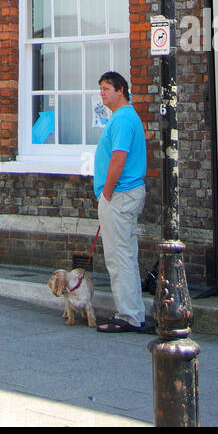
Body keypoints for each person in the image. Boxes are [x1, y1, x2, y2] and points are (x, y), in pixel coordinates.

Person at [93, 71, 147, 333]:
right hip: (123, 194)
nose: (102, 93)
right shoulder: (122, 117)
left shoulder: (123, 118)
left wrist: (106, 192)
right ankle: (134, 313)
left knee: (118, 257)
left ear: (121, 90)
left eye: (106, 88)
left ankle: (129, 316)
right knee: (125, 254)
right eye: (100, 89)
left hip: (119, 195)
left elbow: (119, 158)